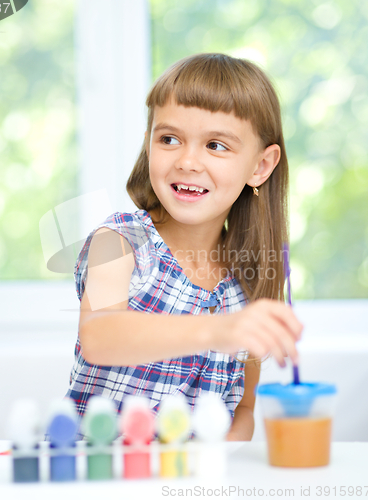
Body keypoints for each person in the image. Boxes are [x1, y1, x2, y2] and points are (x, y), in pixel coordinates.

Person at [66, 53, 303, 441]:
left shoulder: (249, 282)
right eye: (169, 139)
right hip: (97, 476)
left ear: (261, 165)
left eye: (216, 145)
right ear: (148, 145)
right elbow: (100, 337)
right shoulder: (120, 241)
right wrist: (218, 330)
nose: (188, 161)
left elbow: (242, 408)